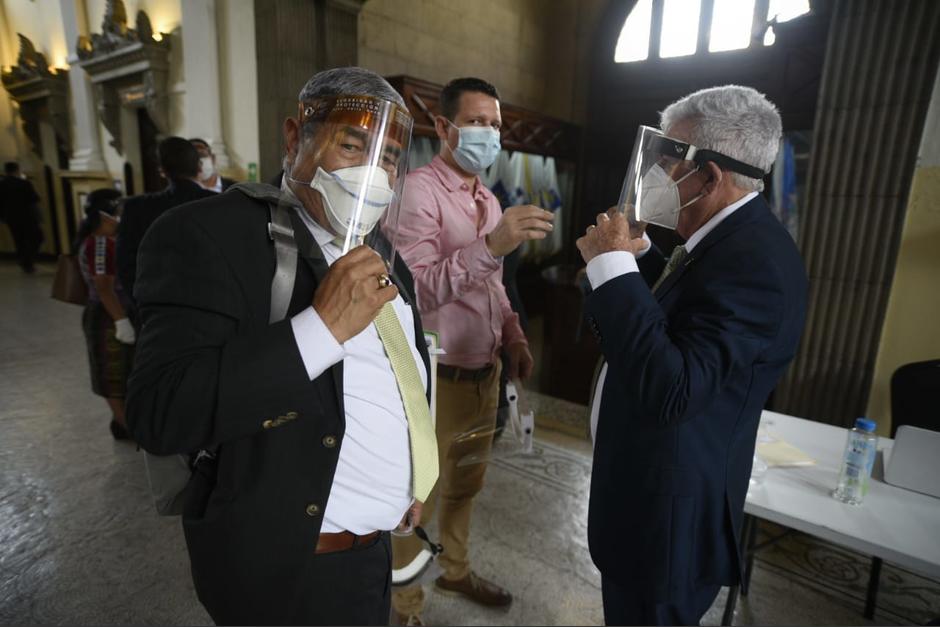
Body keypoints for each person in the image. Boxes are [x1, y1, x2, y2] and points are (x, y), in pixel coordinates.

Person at [126, 67, 438, 626]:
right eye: (351, 145)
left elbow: (402, 369)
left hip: (374, 553)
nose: (374, 172)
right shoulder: (211, 236)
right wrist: (320, 329)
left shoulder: (386, 255)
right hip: (289, 571)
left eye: (389, 157)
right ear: (296, 139)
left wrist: (414, 472)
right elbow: (162, 411)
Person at [577, 85, 808, 625]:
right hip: (648, 501)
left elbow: (673, 388)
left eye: (670, 159)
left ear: (709, 175)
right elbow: (686, 312)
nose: (659, 173)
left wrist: (613, 268)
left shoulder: (757, 264)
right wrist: (638, 256)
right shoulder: (730, 239)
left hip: (669, 525)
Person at [387, 77, 554, 625]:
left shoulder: (486, 198)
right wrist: (492, 246)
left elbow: (494, 286)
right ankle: (406, 605)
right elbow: (415, 290)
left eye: (495, 124)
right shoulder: (416, 192)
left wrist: (513, 333)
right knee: (415, 503)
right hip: (434, 381)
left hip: (484, 374)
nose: (489, 133)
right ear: (443, 127)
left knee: (466, 485)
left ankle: (455, 571)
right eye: (478, 121)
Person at [116, 137, 215, 304]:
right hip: (213, 306)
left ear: (162, 170)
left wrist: (141, 309)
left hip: (157, 306)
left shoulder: (136, 208)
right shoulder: (221, 204)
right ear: (199, 166)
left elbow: (126, 265)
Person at [74, 188, 136, 440]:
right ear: (106, 215)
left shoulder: (113, 241)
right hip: (108, 316)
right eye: (119, 211)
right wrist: (121, 321)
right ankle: (126, 426)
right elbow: (103, 287)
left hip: (121, 311)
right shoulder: (99, 244)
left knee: (126, 370)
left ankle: (123, 422)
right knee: (112, 374)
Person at [0, 161, 43, 273]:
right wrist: (39, 217)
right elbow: (34, 199)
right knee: (37, 238)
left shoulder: (1, 184)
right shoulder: (24, 183)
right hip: (27, 216)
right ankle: (28, 260)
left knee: (19, 240)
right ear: (17, 170)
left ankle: (24, 261)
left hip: (10, 217)